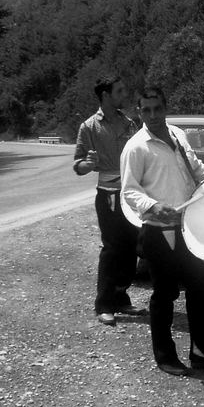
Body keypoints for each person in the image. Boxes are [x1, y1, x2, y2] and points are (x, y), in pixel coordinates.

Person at [121, 86, 204, 376]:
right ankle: (165, 357)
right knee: (164, 294)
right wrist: (154, 205)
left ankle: (202, 353)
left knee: (202, 287)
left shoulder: (177, 135)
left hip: (189, 227)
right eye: (146, 110)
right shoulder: (136, 147)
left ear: (165, 107)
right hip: (159, 232)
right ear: (139, 112)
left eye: (157, 108)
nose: (153, 115)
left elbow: (195, 168)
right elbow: (129, 192)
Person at [73, 75, 144, 327]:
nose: (124, 95)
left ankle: (120, 298)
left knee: (131, 246)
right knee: (112, 249)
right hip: (108, 195)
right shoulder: (89, 127)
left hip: (131, 194)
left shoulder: (129, 123)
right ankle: (103, 304)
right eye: (120, 91)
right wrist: (87, 164)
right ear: (105, 95)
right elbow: (78, 165)